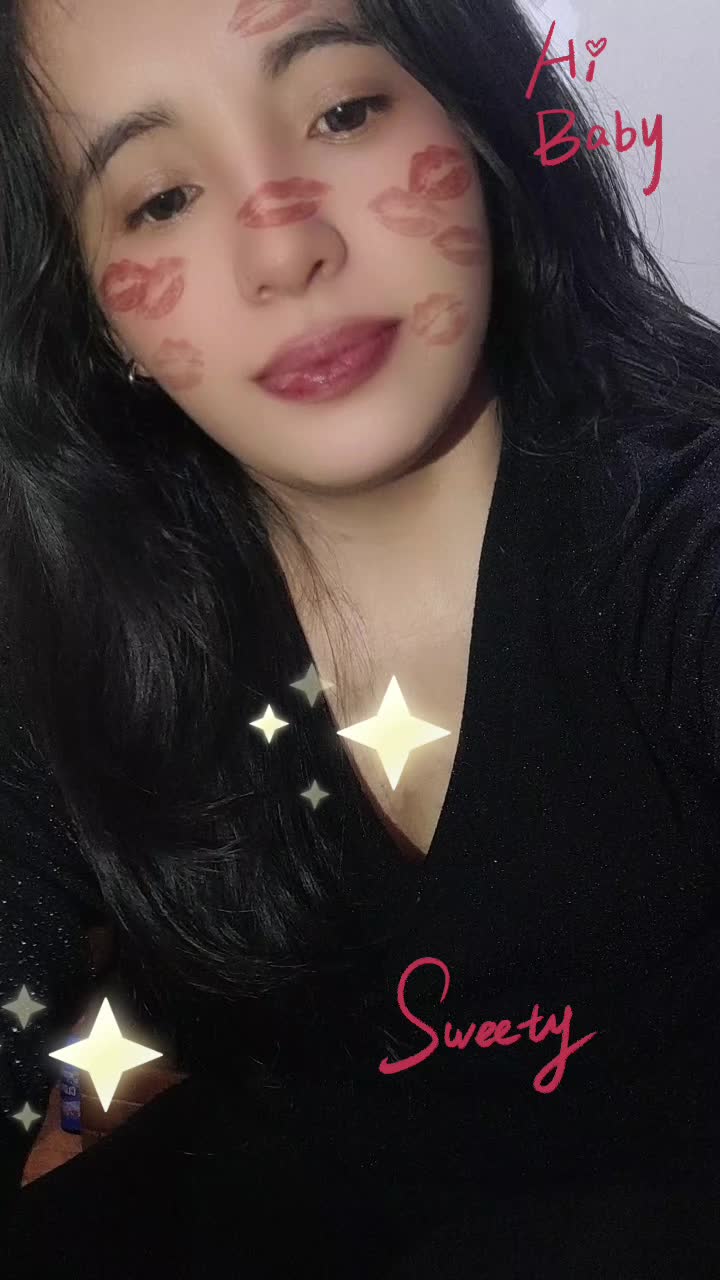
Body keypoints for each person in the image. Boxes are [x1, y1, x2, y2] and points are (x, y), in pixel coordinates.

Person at [0, 0, 719, 1273]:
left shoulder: (673, 528)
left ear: (477, 116)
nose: (284, 247)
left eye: (342, 112)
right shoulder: (83, 632)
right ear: (96, 316)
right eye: (161, 198)